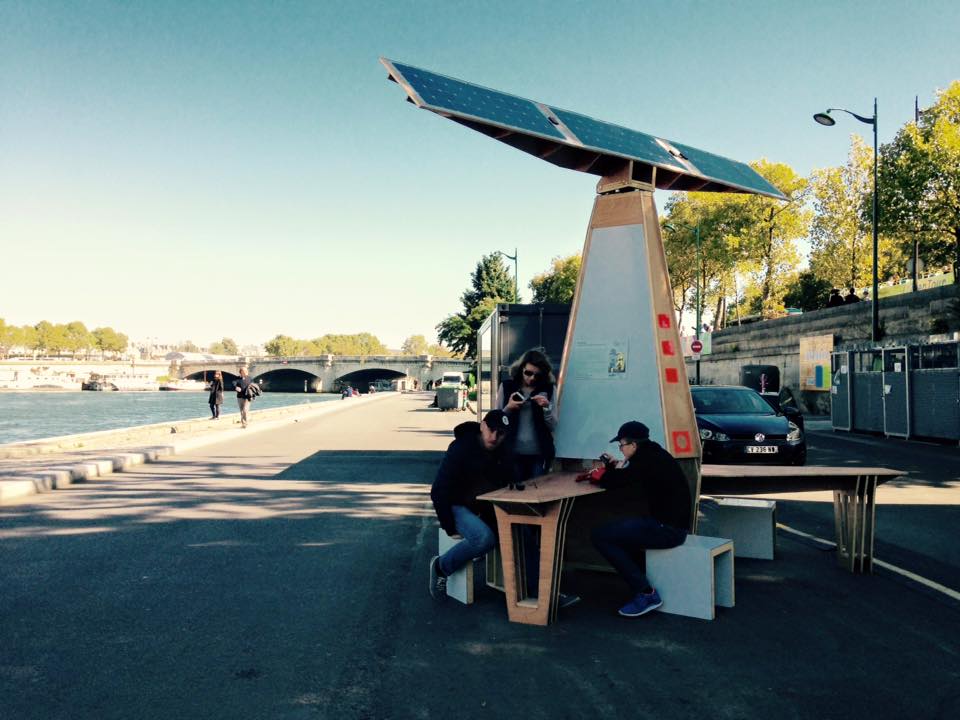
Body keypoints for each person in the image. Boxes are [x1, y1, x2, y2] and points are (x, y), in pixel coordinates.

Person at [583, 421, 691, 618]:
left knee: (600, 535)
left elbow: (616, 482)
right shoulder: (654, 454)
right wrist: (614, 469)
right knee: (621, 531)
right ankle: (644, 579)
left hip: (668, 530)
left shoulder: (645, 461)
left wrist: (602, 474)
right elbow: (629, 476)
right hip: (672, 524)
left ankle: (646, 593)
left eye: (621, 445)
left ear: (633, 445)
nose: (621, 449)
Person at [429, 409, 513, 600]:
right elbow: (439, 489)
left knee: (521, 526)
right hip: (456, 505)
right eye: (491, 430)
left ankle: (537, 591)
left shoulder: (503, 451)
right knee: (483, 539)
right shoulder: (461, 447)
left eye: (500, 433)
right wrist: (448, 525)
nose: (494, 437)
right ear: (482, 425)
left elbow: (508, 478)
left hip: (483, 506)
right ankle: (441, 567)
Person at [496, 349, 557, 482]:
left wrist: (546, 408)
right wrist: (509, 408)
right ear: (521, 368)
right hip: (512, 452)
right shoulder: (506, 387)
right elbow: (496, 420)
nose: (532, 378)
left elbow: (553, 425)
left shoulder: (548, 389)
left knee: (536, 493)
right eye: (528, 373)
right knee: (516, 494)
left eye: (537, 375)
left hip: (539, 453)